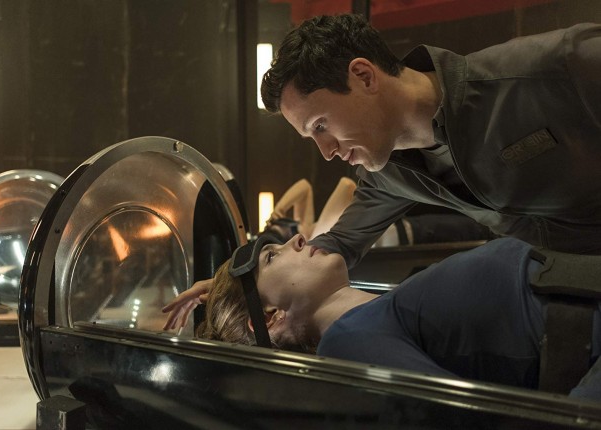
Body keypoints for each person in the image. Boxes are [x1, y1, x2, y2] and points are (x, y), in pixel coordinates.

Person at [260, 14, 601, 269]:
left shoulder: (559, 65)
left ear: (363, 77)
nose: (327, 152)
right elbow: (335, 246)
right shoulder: (387, 176)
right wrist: (244, 289)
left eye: (320, 125)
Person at [164, 233, 601, 400]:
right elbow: (467, 420)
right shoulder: (347, 342)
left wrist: (226, 291)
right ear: (273, 317)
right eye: (272, 257)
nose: (297, 238)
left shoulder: (376, 312)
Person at [266, 177, 496, 245]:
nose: (297, 224)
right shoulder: (319, 236)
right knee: (480, 230)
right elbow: (346, 185)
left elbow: (304, 187)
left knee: (476, 224)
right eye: (291, 229)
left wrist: (279, 210)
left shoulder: (313, 229)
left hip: (407, 226)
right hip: (412, 236)